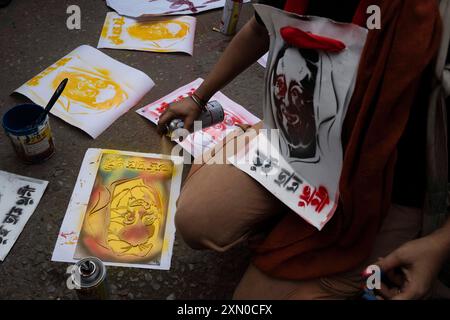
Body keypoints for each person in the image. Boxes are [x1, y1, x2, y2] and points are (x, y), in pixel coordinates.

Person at [158, 0, 450, 299]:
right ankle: (282, 212)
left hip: (383, 183)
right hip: (298, 143)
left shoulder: (431, 12)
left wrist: (440, 244)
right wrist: (198, 99)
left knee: (251, 302)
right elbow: (259, 28)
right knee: (197, 220)